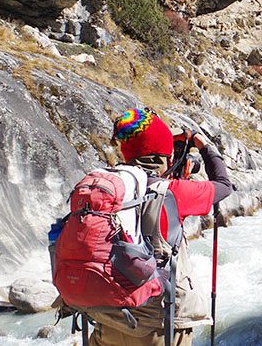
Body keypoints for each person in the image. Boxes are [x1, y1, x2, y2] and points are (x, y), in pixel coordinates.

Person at [87, 108, 234, 346]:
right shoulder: (174, 192)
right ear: (162, 157)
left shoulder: (105, 188)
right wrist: (204, 144)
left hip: (106, 319)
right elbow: (223, 185)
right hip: (158, 327)